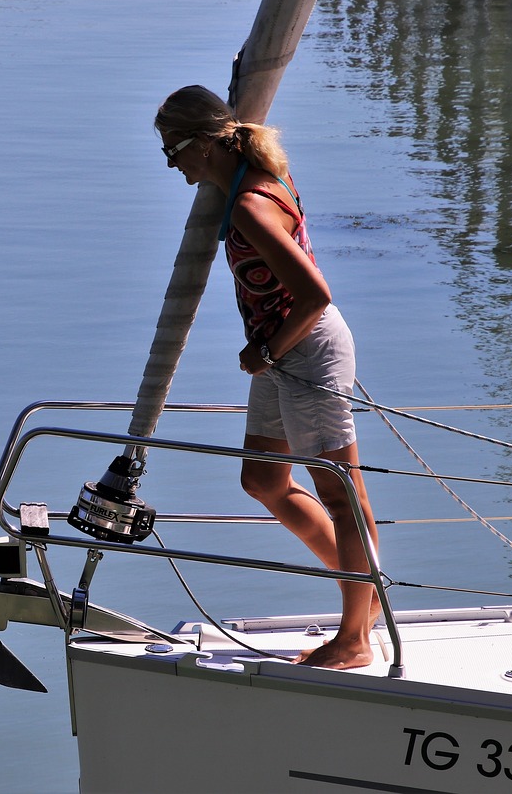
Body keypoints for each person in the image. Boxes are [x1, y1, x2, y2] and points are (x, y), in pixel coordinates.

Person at [155, 84, 382, 669]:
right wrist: (268, 351)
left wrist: (267, 351)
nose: (173, 167)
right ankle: (366, 593)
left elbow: (314, 294)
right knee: (262, 480)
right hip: (280, 351)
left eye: (172, 150)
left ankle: (355, 637)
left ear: (204, 145)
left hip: (303, 351)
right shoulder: (249, 185)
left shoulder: (252, 205)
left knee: (340, 494)